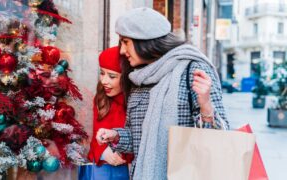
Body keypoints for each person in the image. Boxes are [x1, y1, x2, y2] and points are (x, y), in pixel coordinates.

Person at [95, 7, 229, 180]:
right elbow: (139, 140)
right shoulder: (139, 77)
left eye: (125, 42)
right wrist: (117, 135)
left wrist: (206, 107)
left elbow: (221, 137)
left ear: (145, 41)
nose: (121, 50)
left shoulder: (192, 69)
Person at [79, 46, 133, 180]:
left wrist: (121, 154)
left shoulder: (135, 101)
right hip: (101, 170)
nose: (104, 81)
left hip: (127, 169)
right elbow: (96, 138)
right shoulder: (101, 97)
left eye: (112, 76)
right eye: (102, 73)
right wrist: (103, 152)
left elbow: (140, 140)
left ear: (126, 77)